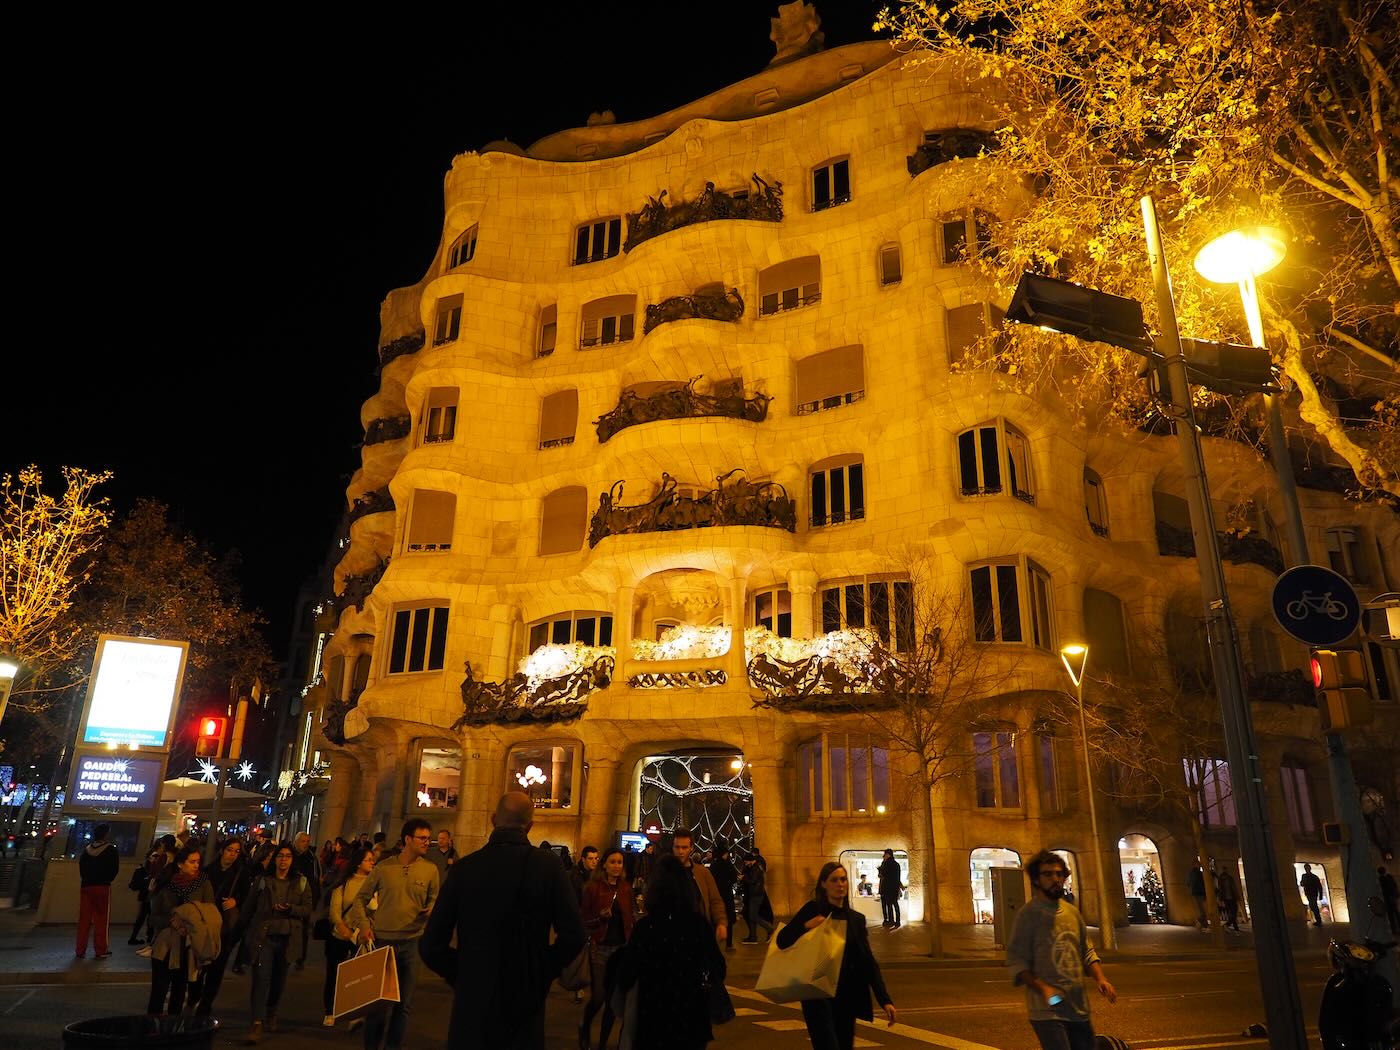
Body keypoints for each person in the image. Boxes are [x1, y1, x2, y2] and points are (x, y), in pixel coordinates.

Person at [419, 791, 585, 1048]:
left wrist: (463, 972)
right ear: (529, 825)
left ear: (494, 819)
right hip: (524, 1000)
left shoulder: (465, 869)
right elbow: (574, 934)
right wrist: (542, 969)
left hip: (474, 999)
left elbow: (431, 945)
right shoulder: (548, 867)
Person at [777, 862, 896, 1050]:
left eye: (843, 879)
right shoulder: (812, 910)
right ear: (823, 884)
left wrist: (885, 1000)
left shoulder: (855, 919)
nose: (840, 884)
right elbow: (782, 941)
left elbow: (867, 961)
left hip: (847, 997)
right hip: (817, 996)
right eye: (834, 880)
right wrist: (806, 926)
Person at [613, 854, 726, 1050]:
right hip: (691, 1018)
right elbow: (719, 968)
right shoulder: (699, 926)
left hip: (653, 1016)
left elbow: (626, 974)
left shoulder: (646, 928)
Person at [1007, 850, 1117, 1050]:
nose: (1055, 879)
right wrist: (1044, 989)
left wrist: (1101, 979)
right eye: (1048, 874)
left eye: (1059, 874)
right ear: (1036, 879)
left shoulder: (1072, 913)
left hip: (1078, 1008)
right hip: (1047, 1011)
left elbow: (1087, 951)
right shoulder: (1028, 915)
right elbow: (1017, 961)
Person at [348, 818, 440, 1050]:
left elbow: (435, 899)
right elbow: (361, 898)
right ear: (407, 839)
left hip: (412, 943)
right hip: (383, 942)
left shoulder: (430, 870)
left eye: (428, 838)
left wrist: (431, 909)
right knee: (378, 1005)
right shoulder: (384, 868)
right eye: (422, 838)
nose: (426, 842)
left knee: (403, 1006)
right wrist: (364, 926)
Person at [242, 842, 313, 1043]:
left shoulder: (301, 882)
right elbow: (248, 908)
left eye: (288, 856)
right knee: (261, 979)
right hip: (264, 936)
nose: (284, 860)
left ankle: (272, 1011)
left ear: (293, 860)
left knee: (278, 980)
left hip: (288, 938)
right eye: (280, 856)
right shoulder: (263, 881)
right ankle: (257, 1022)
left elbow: (308, 909)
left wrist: (291, 909)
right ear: (275, 859)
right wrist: (239, 934)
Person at [147, 845, 218, 1017]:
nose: (195, 866)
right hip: (165, 944)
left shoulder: (203, 884)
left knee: (179, 988)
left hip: (188, 945)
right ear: (180, 864)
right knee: (159, 988)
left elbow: (210, 913)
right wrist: (170, 921)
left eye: (198, 862)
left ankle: (173, 1025)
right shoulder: (166, 884)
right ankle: (152, 1025)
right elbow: (153, 916)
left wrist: (191, 925)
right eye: (192, 862)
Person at [579, 847, 634, 1050]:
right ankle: (584, 1026)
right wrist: (599, 918)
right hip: (600, 948)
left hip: (620, 949)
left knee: (613, 1000)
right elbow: (583, 920)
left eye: (620, 862)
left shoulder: (626, 888)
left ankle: (602, 1043)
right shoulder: (593, 888)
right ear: (604, 864)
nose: (617, 866)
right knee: (599, 996)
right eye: (613, 862)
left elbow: (629, 918)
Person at [194, 837, 254, 1018]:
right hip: (205, 924)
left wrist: (236, 901)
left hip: (225, 927)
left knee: (216, 968)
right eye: (230, 850)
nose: (233, 854)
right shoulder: (207, 871)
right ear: (222, 850)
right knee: (199, 965)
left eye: (236, 851)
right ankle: (195, 994)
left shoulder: (241, 873)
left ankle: (205, 1005)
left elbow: (247, 899)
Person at [324, 846, 376, 1027]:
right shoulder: (344, 883)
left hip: (361, 935)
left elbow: (375, 910)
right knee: (334, 974)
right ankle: (330, 1010)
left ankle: (355, 1013)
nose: (372, 862)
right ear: (358, 863)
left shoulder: (374, 884)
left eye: (372, 860)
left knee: (358, 976)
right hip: (340, 934)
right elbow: (334, 912)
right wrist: (342, 927)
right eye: (369, 859)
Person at [672, 830, 726, 942]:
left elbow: (715, 900)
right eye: (677, 847)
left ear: (691, 848)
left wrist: (721, 923)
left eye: (684, 847)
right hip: (673, 934)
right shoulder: (665, 873)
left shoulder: (702, 873)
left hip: (699, 933)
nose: (680, 851)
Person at [77, 823, 119, 959]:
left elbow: (81, 868)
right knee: (101, 919)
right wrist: (107, 879)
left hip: (86, 887)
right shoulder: (111, 850)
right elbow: (114, 869)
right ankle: (100, 950)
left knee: (84, 920)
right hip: (102, 887)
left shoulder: (86, 850)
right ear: (106, 834)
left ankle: (80, 950)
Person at [290, 832, 323, 969]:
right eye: (303, 841)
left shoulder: (311, 858)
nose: (306, 843)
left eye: (307, 841)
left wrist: (312, 901)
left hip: (304, 898)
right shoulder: (289, 854)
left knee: (302, 930)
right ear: (296, 841)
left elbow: (315, 881)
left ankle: (300, 958)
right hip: (289, 896)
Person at [709, 842, 739, 951]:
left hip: (716, 894)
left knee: (715, 919)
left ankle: (714, 944)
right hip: (727, 895)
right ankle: (729, 944)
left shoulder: (714, 865)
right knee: (729, 920)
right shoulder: (728, 865)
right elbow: (734, 878)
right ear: (724, 854)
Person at [740, 854, 774, 943]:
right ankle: (753, 937)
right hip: (753, 895)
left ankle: (770, 929)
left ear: (751, 860)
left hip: (756, 895)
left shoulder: (756, 868)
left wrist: (743, 878)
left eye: (746, 862)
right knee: (750, 916)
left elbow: (752, 881)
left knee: (753, 916)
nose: (745, 864)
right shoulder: (753, 867)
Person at [877, 850, 903, 929]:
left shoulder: (886, 864)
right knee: (895, 904)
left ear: (888, 855)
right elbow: (897, 877)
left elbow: (883, 875)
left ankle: (890, 920)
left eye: (885, 854)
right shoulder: (897, 864)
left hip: (886, 888)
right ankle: (897, 921)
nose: (884, 856)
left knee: (888, 905)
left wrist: (880, 869)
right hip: (894, 888)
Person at [1215, 866, 1240, 932]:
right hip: (1230, 898)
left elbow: (1220, 890)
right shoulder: (1228, 878)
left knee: (1232, 914)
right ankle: (1235, 928)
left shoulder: (1221, 879)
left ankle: (1233, 928)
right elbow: (1234, 888)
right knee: (1233, 914)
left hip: (1227, 898)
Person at [1378, 866, 1400, 935]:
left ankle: (1394, 930)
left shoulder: (1381, 879)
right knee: (1396, 914)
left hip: (1387, 899)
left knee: (1391, 915)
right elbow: (1394, 885)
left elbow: (1384, 890)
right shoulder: (1389, 877)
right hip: (1392, 897)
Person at [1188, 862, 1209, 929]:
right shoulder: (1199, 874)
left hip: (1195, 892)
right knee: (1201, 908)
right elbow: (1201, 883)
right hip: (1199, 892)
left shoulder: (1190, 874)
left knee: (1199, 908)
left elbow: (1188, 883)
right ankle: (1203, 923)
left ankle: (1201, 922)